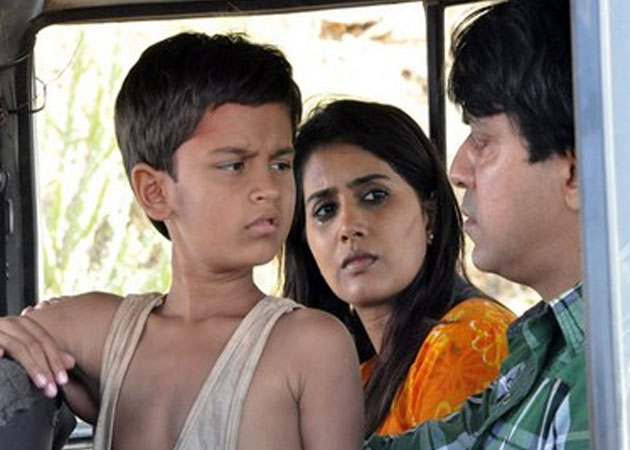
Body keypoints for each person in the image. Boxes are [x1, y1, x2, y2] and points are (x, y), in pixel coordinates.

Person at [0, 32, 364, 450]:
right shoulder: (92, 330)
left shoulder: (311, 347)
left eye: (281, 164)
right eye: (234, 165)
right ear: (155, 191)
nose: (269, 188)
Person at [365, 0, 588, 448]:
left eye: (483, 141)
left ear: (575, 173)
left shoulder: (608, 379)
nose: (458, 170)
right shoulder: (543, 348)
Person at [283, 99, 515, 437]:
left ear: (428, 215)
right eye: (325, 210)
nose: (347, 226)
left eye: (374, 196)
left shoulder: (466, 339)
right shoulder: (360, 375)